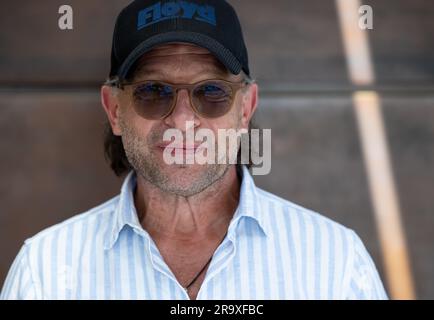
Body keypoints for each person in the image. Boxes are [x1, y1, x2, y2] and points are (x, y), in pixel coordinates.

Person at [1, 0, 387, 300]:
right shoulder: (46, 271)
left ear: (246, 108)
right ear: (115, 110)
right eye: (154, 92)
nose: (183, 120)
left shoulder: (335, 264)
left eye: (211, 92)